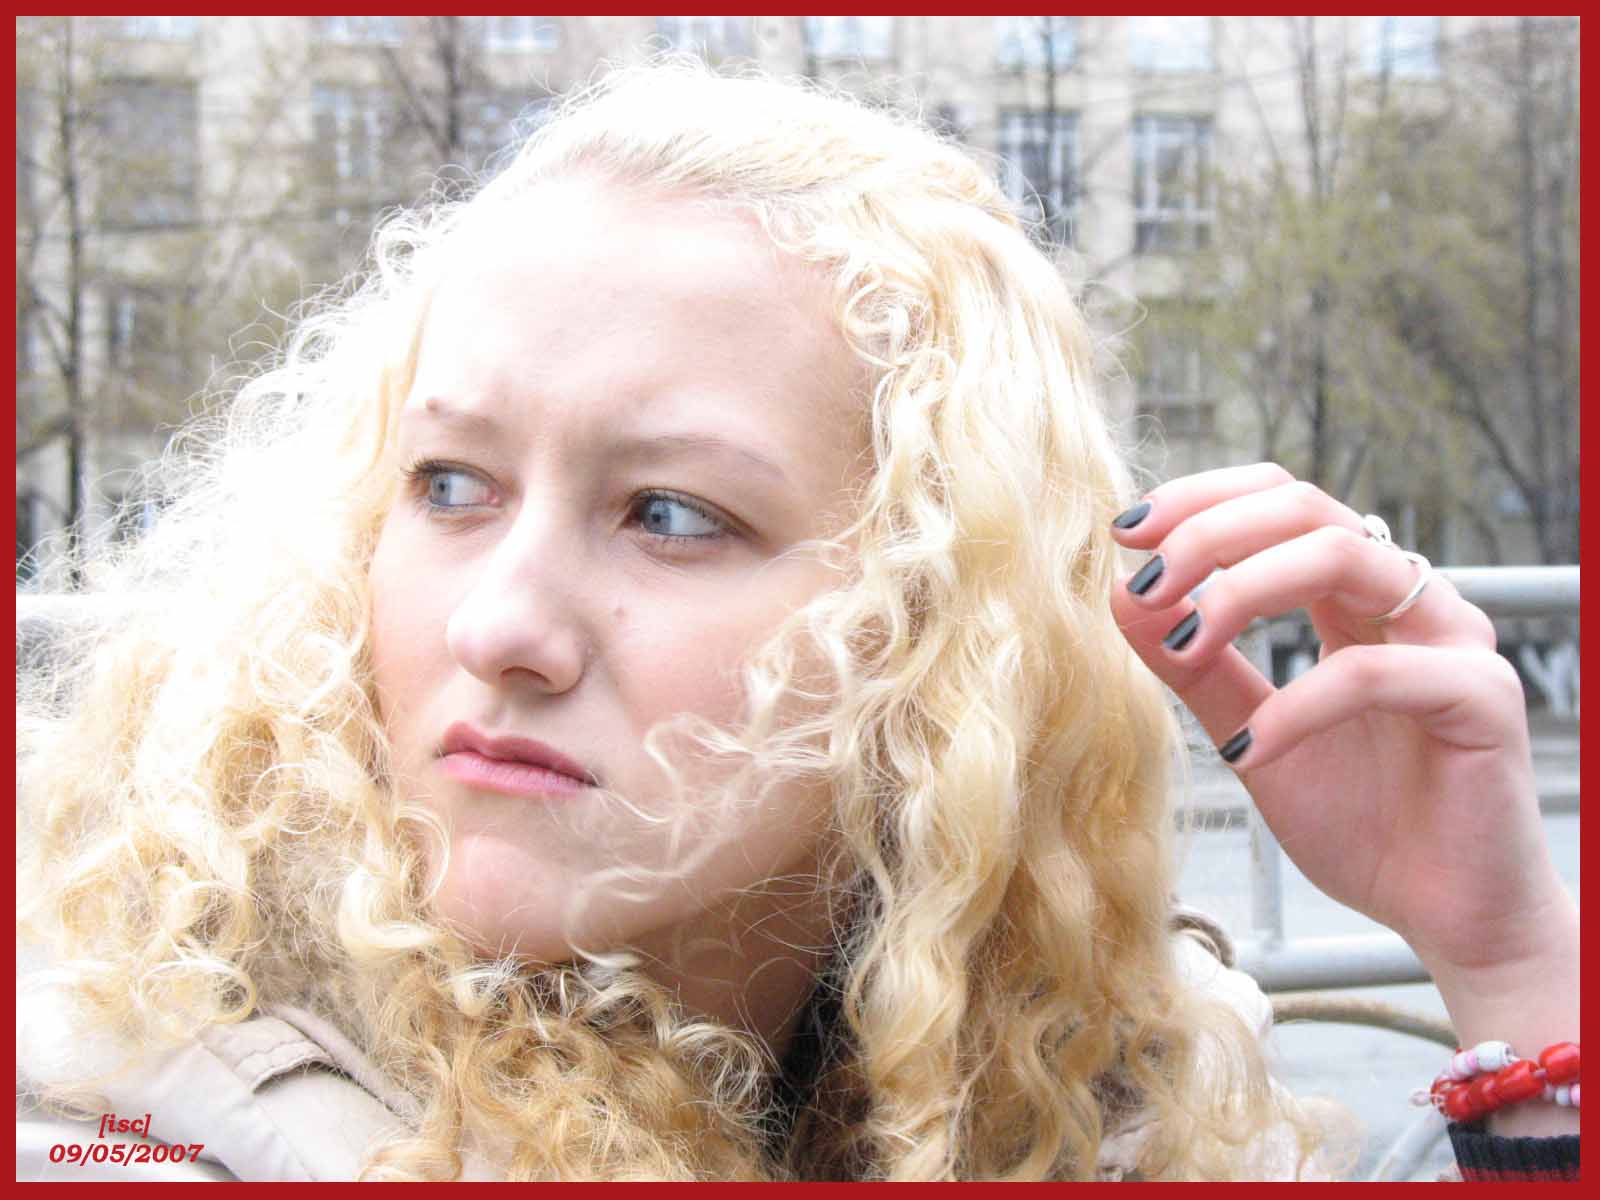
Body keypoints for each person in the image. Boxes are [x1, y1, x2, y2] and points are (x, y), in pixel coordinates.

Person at [15, 58, 1578, 1181]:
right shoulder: (144, 1097)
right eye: (449, 485)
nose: (501, 625)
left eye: (669, 513)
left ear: (935, 630)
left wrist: (1509, 969)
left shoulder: (1088, 1077)